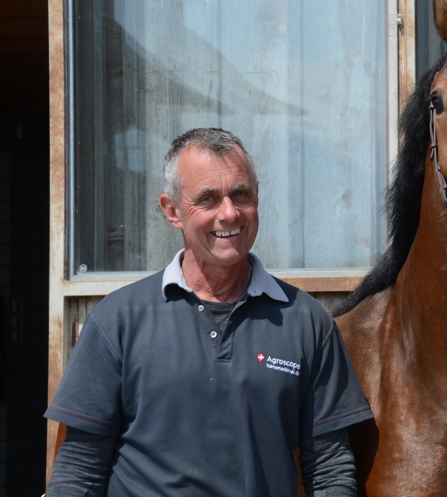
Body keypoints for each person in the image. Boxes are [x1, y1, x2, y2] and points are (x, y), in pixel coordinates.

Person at [46, 128, 372, 496]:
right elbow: (79, 472)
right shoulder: (118, 320)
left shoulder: (306, 322)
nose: (229, 213)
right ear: (172, 211)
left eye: (241, 194)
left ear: (257, 198)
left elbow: (330, 470)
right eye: (208, 199)